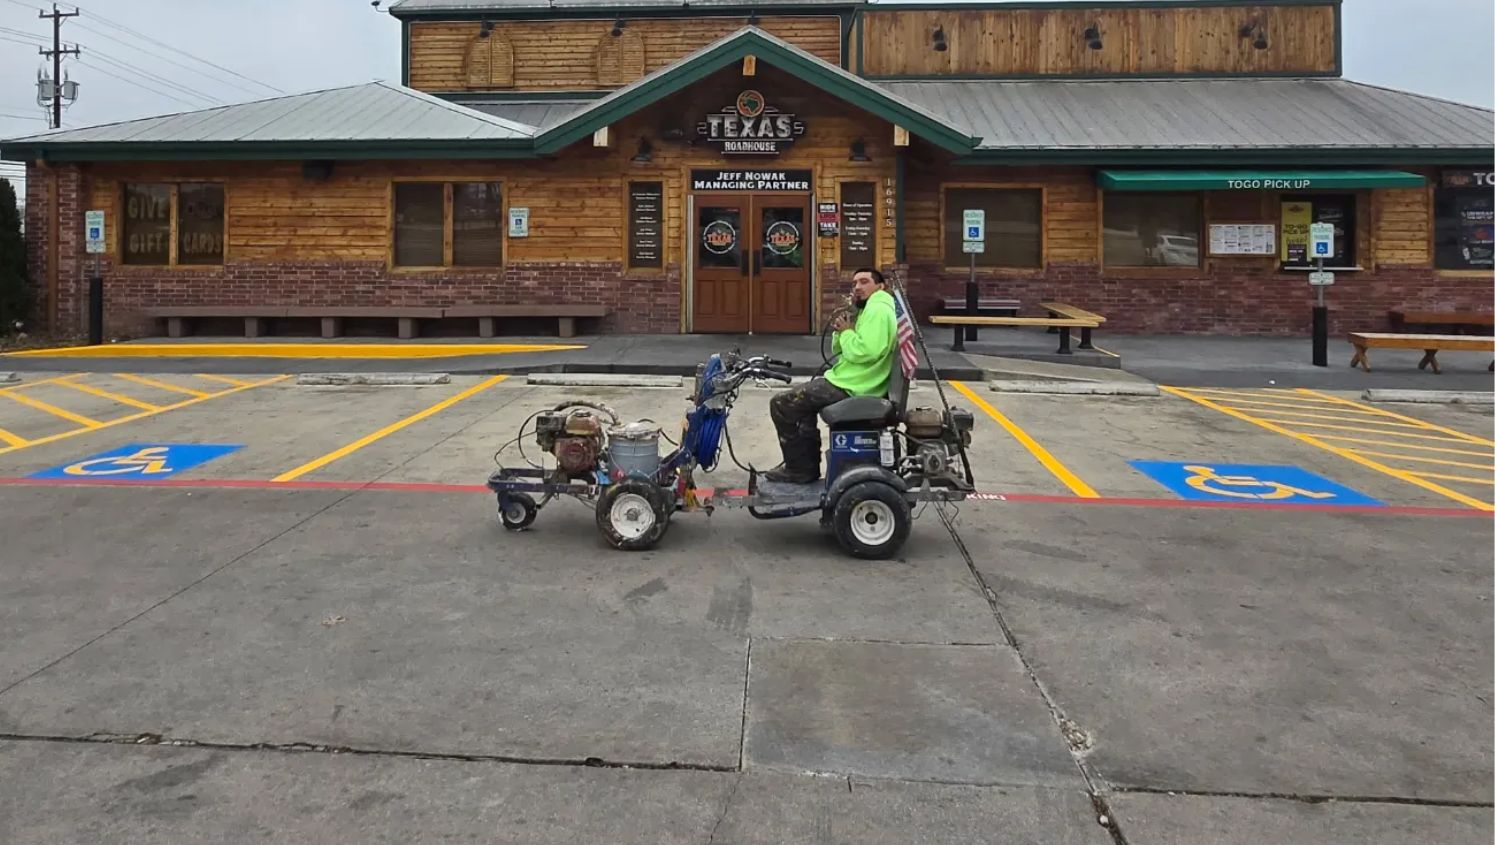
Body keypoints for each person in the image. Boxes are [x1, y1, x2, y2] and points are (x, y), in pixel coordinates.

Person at [766, 267, 896, 484]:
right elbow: (843, 351)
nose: (857, 288)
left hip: (855, 385)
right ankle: (805, 466)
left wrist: (846, 332)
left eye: (864, 282)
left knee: (782, 404)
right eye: (854, 284)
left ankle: (799, 469)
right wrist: (843, 329)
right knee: (801, 405)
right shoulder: (869, 309)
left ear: (880, 286)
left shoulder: (878, 310)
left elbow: (866, 351)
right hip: (852, 379)